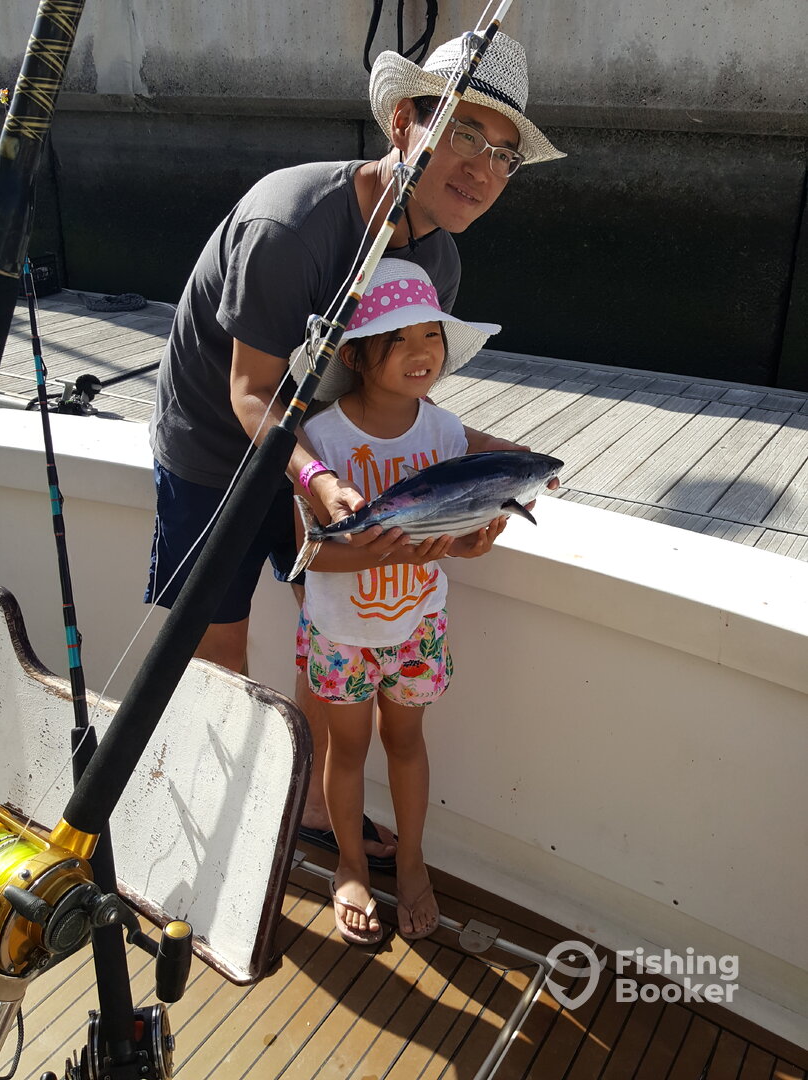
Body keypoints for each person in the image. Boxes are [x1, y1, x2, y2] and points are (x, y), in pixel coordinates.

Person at [145, 31, 565, 870]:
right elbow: (250, 394)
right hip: (215, 448)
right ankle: (215, 814)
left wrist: (483, 480)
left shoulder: (436, 259)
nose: (484, 172)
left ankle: (301, 805)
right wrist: (321, 481)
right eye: (466, 136)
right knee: (221, 644)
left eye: (505, 159)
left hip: (320, 449)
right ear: (406, 119)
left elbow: (398, 393)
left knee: (322, 620)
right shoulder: (290, 224)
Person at [291, 258, 513, 942]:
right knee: (348, 751)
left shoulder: (446, 436)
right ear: (355, 355)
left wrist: (469, 546)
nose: (422, 353)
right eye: (399, 338)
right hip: (342, 632)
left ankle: (412, 862)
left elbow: (459, 527)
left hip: (418, 624)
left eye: (431, 336)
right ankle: (351, 865)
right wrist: (386, 547)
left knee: (408, 745)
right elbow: (311, 554)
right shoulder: (321, 442)